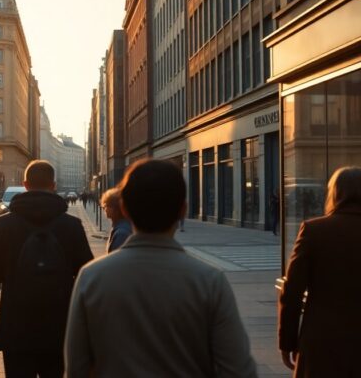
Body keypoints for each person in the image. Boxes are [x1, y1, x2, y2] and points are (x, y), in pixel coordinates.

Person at [66, 159, 256, 377]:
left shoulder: (91, 278)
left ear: (124, 209)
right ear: (183, 211)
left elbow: (76, 369)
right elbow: (238, 370)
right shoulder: (209, 281)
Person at [278, 167, 361, 377]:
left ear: (334, 193)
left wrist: (287, 341)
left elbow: (292, 292)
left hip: (321, 342)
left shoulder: (313, 231)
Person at [0, 160, 94, 378]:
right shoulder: (71, 225)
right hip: (60, 326)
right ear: (53, 185)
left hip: (16, 326)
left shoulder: (5, 225)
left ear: (25, 184)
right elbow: (86, 276)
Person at [100, 188, 132, 253]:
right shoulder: (120, 226)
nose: (104, 209)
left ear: (116, 208)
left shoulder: (121, 233)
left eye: (107, 205)